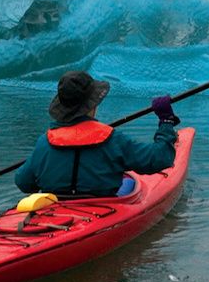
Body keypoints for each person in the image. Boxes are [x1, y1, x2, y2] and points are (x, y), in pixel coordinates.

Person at [14, 70, 180, 197]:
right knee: (129, 181)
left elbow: (23, 183)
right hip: (103, 209)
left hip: (56, 210)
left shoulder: (45, 143)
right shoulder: (113, 140)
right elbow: (161, 158)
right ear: (92, 105)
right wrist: (166, 122)